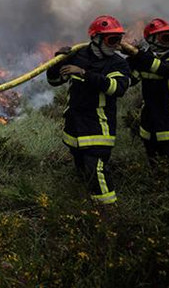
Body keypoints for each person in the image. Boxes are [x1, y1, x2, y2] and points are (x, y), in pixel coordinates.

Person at [46, 16, 131, 205]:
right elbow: (54, 81)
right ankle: (87, 209)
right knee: (83, 170)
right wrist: (58, 62)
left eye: (118, 39)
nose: (117, 45)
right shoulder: (78, 55)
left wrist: (84, 73)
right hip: (75, 128)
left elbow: (118, 88)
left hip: (98, 127)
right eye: (111, 40)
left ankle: (108, 214)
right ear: (96, 38)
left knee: (96, 170)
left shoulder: (118, 63)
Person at [120, 18, 169, 178]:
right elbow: (130, 80)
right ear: (151, 40)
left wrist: (137, 54)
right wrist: (130, 59)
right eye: (164, 37)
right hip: (149, 122)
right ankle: (160, 191)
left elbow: (167, 70)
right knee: (155, 164)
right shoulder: (144, 59)